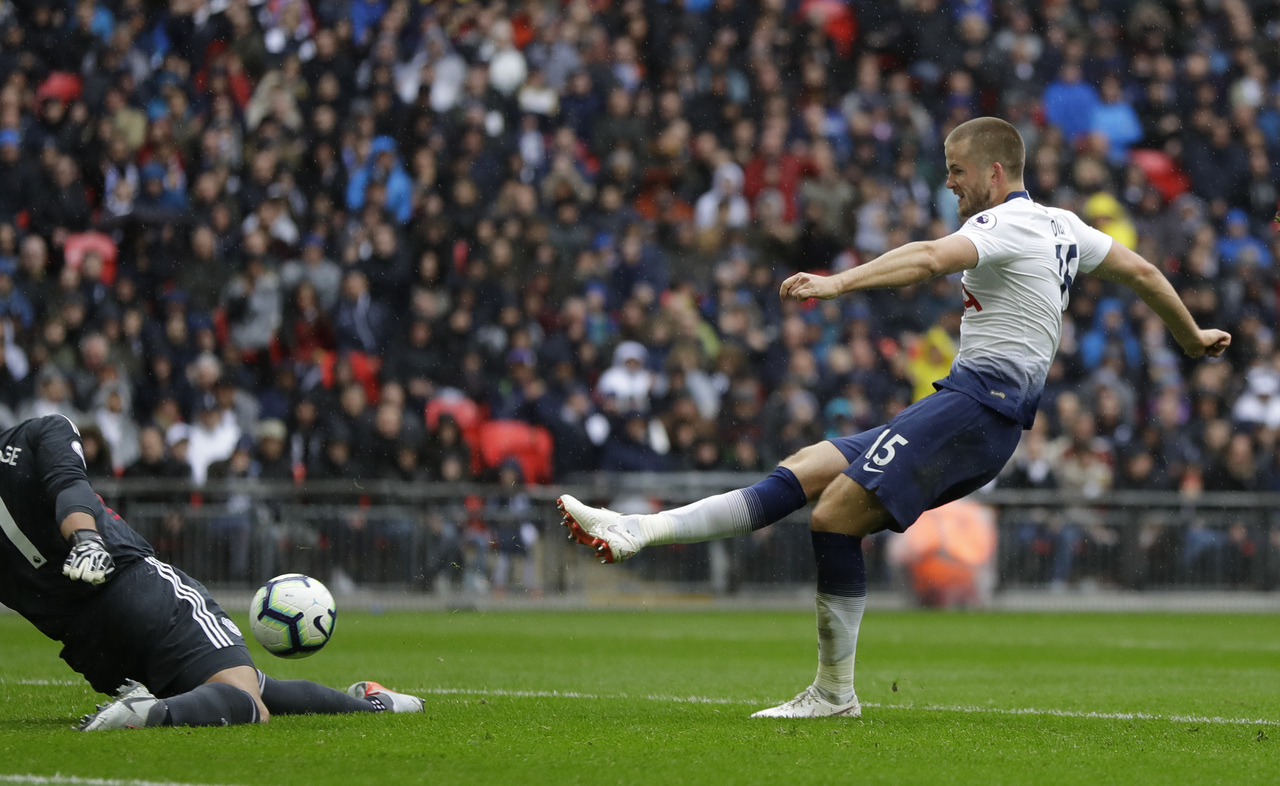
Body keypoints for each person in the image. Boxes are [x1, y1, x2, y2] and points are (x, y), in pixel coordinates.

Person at [558, 117, 1231, 719]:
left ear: (995, 172)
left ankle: (833, 694)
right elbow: (1144, 272)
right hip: (970, 404)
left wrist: (838, 282)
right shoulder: (1065, 226)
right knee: (807, 469)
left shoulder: (1007, 224)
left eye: (958, 171)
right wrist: (1191, 335)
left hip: (979, 408)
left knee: (833, 516)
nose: (950, 184)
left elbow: (930, 258)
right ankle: (637, 529)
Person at [0, 414, 424, 730]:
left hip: (89, 648)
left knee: (252, 684)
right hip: (138, 593)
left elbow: (65, 488)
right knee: (248, 701)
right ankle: (152, 713)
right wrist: (88, 541)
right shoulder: (42, 431)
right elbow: (67, 483)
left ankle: (373, 703)